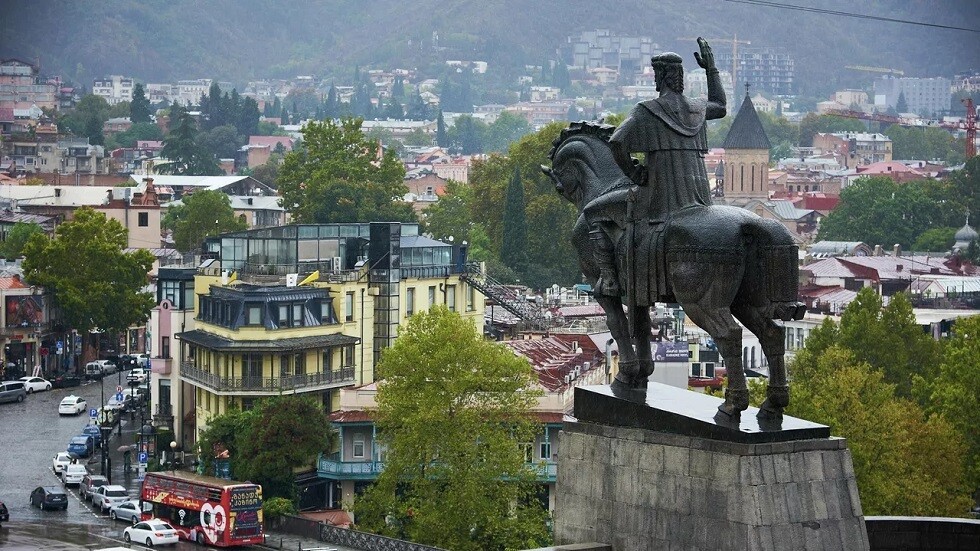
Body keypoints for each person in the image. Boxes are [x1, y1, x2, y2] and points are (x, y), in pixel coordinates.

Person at [587, 38, 727, 298]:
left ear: (660, 77)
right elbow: (720, 106)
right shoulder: (696, 108)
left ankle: (609, 282)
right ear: (680, 77)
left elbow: (617, 141)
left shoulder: (646, 110)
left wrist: (635, 173)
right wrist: (711, 70)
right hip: (698, 197)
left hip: (661, 198)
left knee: (593, 212)